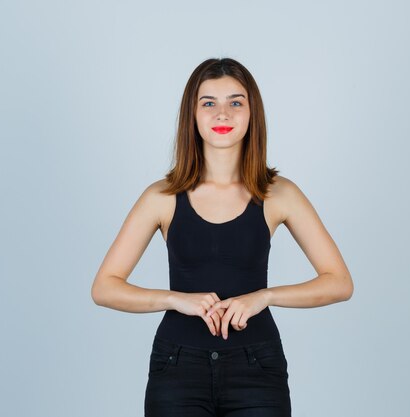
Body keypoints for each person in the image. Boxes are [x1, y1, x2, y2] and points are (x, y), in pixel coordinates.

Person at [90, 57, 354, 417]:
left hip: (257, 368)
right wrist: (176, 299)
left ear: (252, 113)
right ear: (193, 115)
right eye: (209, 103)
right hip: (177, 368)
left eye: (236, 102)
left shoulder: (279, 193)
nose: (223, 114)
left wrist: (265, 296)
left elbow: (340, 282)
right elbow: (104, 287)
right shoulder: (162, 197)